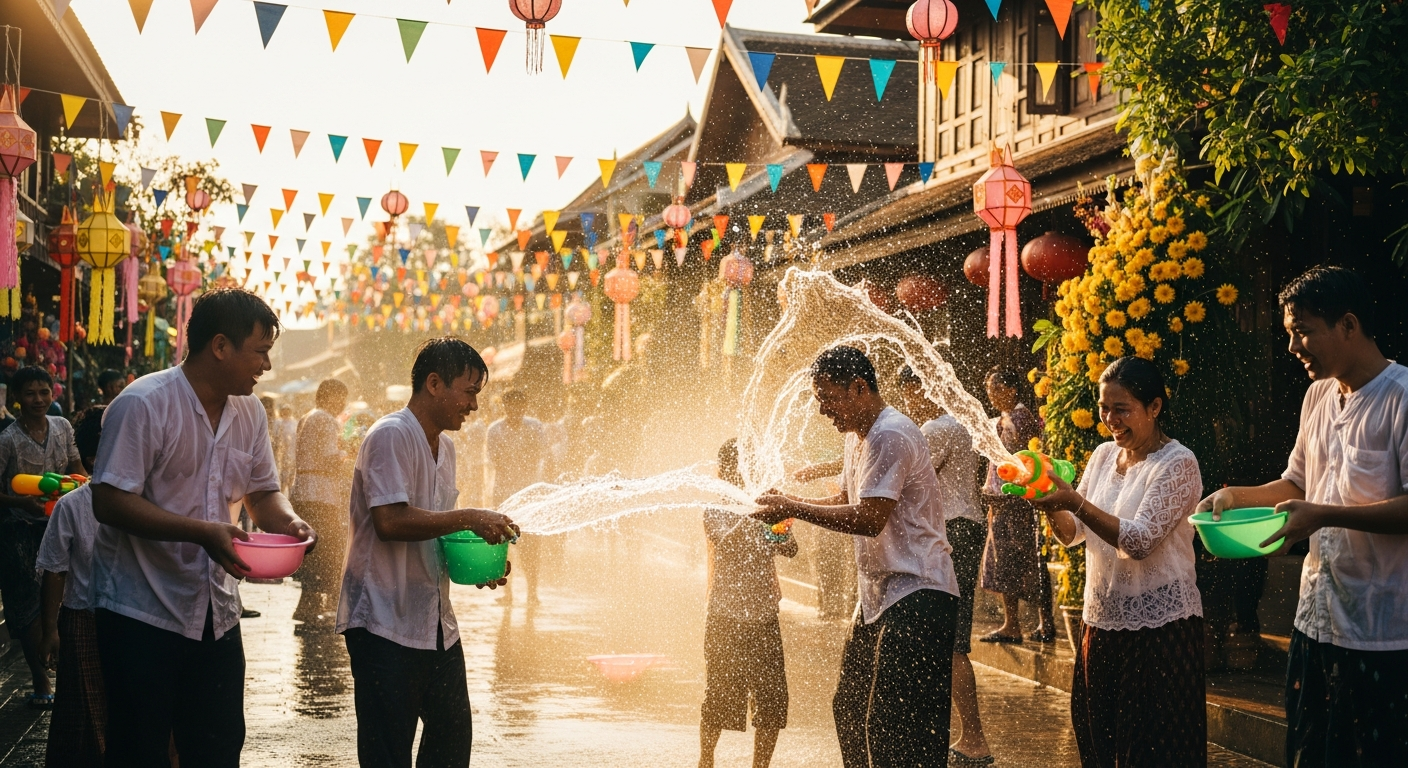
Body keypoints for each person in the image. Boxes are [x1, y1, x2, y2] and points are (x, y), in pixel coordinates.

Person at [89, 288, 315, 767]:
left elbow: (261, 493)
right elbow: (109, 501)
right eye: (260, 351)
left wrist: (290, 522)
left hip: (216, 614)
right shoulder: (144, 404)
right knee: (139, 750)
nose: (267, 366)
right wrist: (201, 532)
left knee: (217, 746)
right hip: (141, 613)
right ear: (219, 346)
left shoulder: (250, 411)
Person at [1197, 266, 1408, 767]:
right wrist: (1234, 496)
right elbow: (1297, 484)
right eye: (1290, 334)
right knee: (1309, 753)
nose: (1294, 347)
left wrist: (1321, 516)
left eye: (1304, 331)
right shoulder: (1317, 396)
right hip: (1314, 621)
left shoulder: (1401, 396)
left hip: (1381, 631)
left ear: (1349, 326)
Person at [755, 346, 960, 767]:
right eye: (818, 400)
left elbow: (869, 519)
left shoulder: (891, 434)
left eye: (828, 398)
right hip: (881, 594)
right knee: (848, 708)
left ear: (860, 387)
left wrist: (793, 506)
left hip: (920, 590)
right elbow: (845, 499)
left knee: (895, 725)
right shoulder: (857, 436)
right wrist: (789, 504)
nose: (823, 411)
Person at [337, 337, 517, 767]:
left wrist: (475, 565)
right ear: (434, 383)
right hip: (382, 621)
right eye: (469, 392)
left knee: (453, 739)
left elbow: (435, 528)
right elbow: (391, 522)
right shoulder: (390, 435)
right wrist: (469, 516)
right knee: (388, 752)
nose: (473, 406)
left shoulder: (447, 447)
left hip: (435, 623)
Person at [1030, 357, 1206, 766]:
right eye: (1103, 407)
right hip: (1102, 625)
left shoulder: (1178, 463)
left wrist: (1074, 499)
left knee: (1152, 751)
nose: (1109, 419)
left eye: (1121, 409)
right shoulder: (1104, 456)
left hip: (1162, 632)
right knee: (1100, 745)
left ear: (1155, 407)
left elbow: (1141, 540)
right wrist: (1045, 499)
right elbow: (1073, 532)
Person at [898, 365, 992, 767]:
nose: (907, 404)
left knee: (950, 642)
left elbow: (901, 477)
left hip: (952, 534)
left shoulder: (937, 429)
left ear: (923, 388)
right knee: (947, 639)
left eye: (908, 394)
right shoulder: (961, 423)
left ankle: (974, 737)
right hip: (965, 530)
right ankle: (962, 734)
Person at [699, 439, 797, 768]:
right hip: (725, 617)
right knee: (719, 698)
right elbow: (726, 543)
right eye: (739, 467)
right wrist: (758, 512)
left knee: (770, 702)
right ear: (726, 471)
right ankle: (706, 761)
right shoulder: (716, 509)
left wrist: (781, 520)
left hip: (764, 616)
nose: (744, 473)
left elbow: (789, 547)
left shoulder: (768, 509)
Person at [0, 365, 85, 709]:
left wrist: (80, 486)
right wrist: (21, 502)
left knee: (60, 600)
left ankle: (61, 670)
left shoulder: (63, 427)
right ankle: (41, 677)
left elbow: (77, 468)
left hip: (59, 525)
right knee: (28, 607)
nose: (38, 399)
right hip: (19, 531)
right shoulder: (7, 440)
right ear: (16, 399)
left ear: (54, 394)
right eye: (30, 393)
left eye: (44, 392)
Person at [36, 405, 106, 766]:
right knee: (83, 712)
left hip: (134, 618)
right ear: (96, 456)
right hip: (83, 618)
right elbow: (54, 570)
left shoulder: (149, 502)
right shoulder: (73, 506)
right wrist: (50, 630)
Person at [978, 365, 1055, 644]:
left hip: (1016, 500)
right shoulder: (1005, 419)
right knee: (1009, 561)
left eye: (996, 389)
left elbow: (1025, 460)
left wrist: (1008, 494)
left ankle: (1025, 625)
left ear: (1011, 390)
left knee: (1020, 560)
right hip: (1002, 500)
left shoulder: (1021, 420)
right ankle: (1023, 623)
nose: (991, 395)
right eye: (989, 391)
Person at [291, 379, 350, 624]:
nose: (343, 404)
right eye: (342, 398)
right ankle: (311, 606)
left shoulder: (308, 416)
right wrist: (349, 452)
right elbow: (328, 458)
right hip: (320, 495)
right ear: (331, 397)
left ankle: (308, 605)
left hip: (305, 491)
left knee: (312, 549)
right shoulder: (325, 419)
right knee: (324, 551)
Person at [486, 388, 549, 603]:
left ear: (525, 406)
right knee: (503, 544)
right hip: (504, 494)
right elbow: (496, 460)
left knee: (531, 544)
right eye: (511, 405)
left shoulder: (535, 427)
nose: (515, 409)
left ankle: (533, 592)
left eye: (519, 405)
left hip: (529, 494)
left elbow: (539, 455)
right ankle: (508, 593)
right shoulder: (495, 430)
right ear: (505, 407)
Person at [276, 403, 298, 494]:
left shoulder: (294, 422)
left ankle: (290, 491)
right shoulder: (279, 422)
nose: (286, 413)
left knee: (291, 473)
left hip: (292, 451)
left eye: (287, 410)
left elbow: (296, 436)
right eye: (284, 410)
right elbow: (277, 436)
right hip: (283, 452)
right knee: (283, 473)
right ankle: (282, 491)